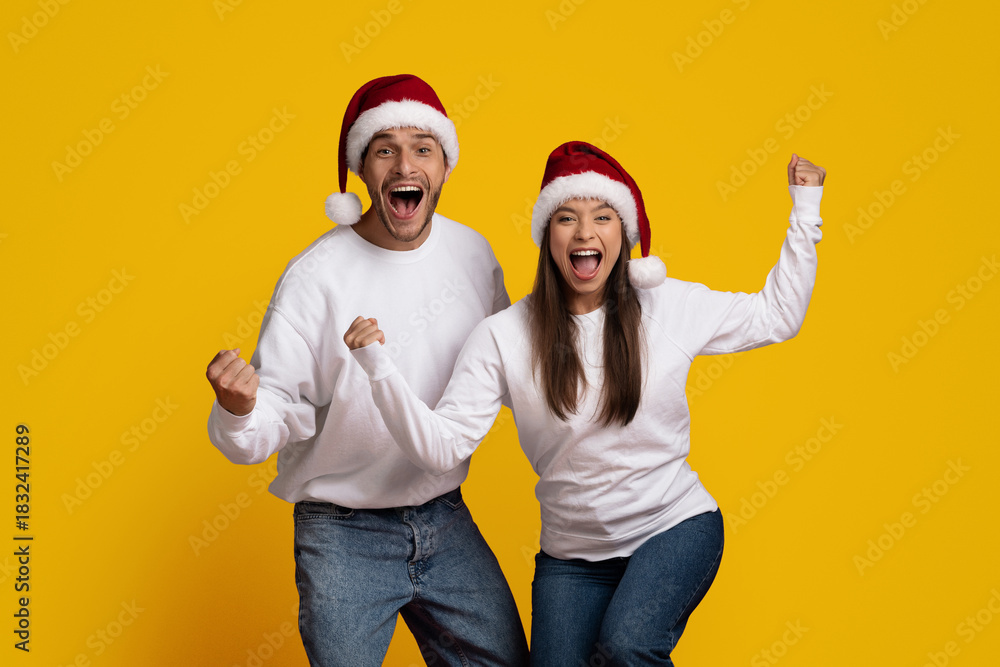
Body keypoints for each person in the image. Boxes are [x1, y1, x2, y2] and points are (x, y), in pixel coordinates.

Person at [344, 141, 826, 666]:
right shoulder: (503, 337)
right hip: (572, 558)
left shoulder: (668, 307)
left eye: (602, 216)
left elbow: (778, 316)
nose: (585, 232)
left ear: (623, 233)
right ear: (548, 236)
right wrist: (379, 369)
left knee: (626, 647)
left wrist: (805, 206)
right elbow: (441, 447)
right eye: (567, 218)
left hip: (673, 527)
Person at [205, 74, 529, 667]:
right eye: (385, 149)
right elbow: (276, 414)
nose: (405, 164)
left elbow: (510, 373)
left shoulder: (474, 255)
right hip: (341, 531)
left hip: (444, 514)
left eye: (422, 149)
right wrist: (239, 409)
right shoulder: (315, 277)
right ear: (363, 169)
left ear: (444, 167)